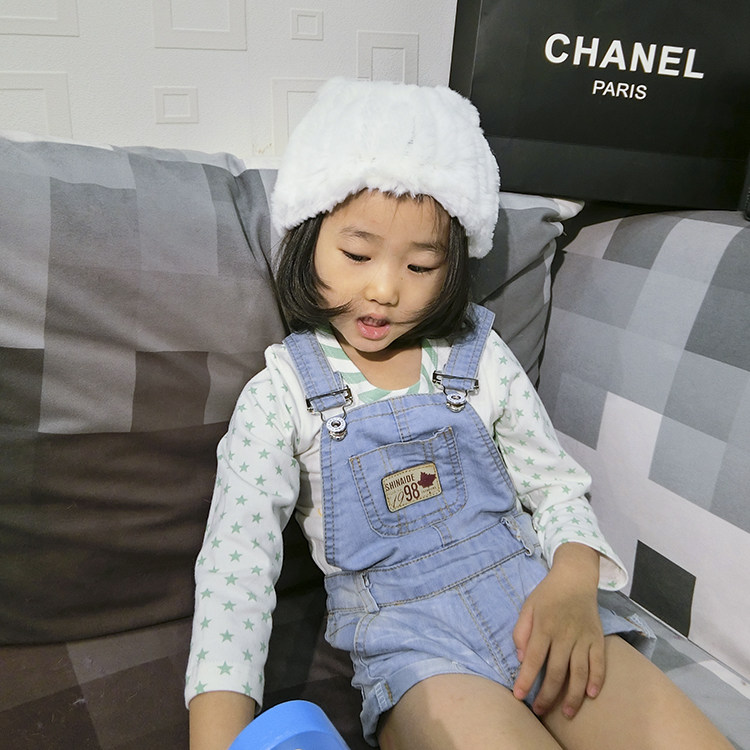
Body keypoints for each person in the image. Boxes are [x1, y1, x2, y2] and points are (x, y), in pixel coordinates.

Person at [186, 78, 731, 750]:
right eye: (356, 255)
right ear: (306, 239)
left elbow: (555, 486)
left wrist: (572, 579)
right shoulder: (278, 396)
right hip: (416, 651)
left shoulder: (481, 355)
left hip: (539, 600)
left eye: (421, 265)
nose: (384, 289)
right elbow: (234, 575)